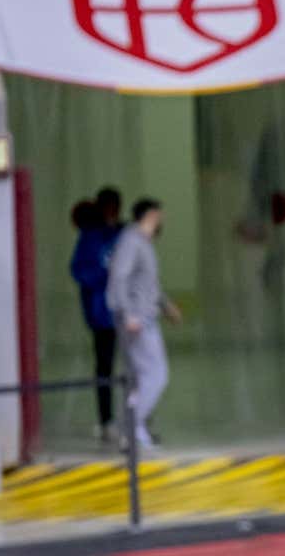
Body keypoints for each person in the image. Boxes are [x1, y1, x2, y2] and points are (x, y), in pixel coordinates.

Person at [107, 198, 182, 450]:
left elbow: (148, 284)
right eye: (159, 215)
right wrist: (129, 314)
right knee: (156, 374)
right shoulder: (131, 242)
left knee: (140, 378)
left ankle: (135, 429)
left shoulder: (143, 243)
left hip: (144, 316)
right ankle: (128, 425)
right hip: (138, 319)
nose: (162, 221)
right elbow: (118, 278)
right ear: (150, 215)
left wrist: (166, 305)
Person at [70, 187, 125, 443]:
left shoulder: (124, 233)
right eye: (109, 207)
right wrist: (106, 278)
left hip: (126, 311)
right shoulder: (90, 237)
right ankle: (106, 420)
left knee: (136, 366)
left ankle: (138, 418)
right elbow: (80, 270)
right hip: (102, 314)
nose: (113, 213)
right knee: (104, 367)